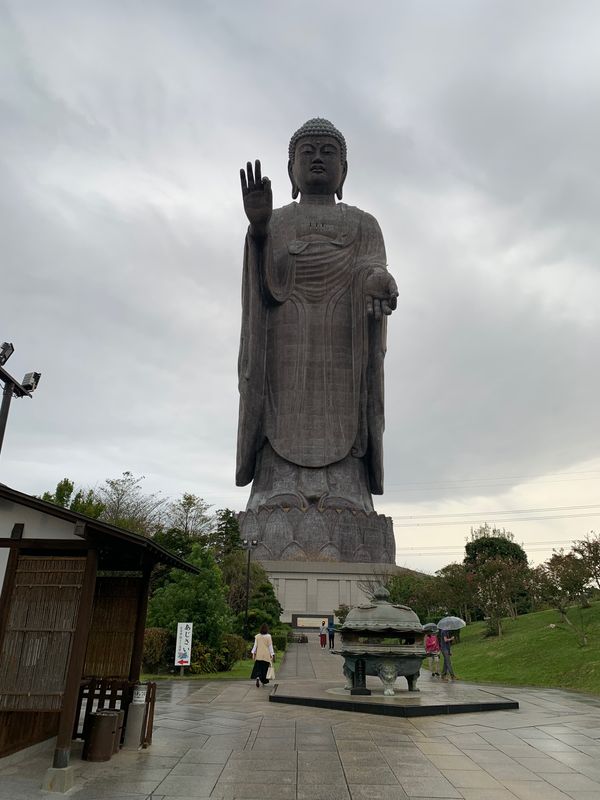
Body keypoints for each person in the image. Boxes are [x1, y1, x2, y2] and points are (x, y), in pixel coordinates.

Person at [237, 119, 398, 524]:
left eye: (329, 152)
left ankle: (347, 491)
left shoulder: (364, 223)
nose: (318, 160)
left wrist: (378, 280)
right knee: (281, 402)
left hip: (344, 337)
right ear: (291, 169)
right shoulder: (277, 220)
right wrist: (258, 228)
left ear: (344, 169)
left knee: (345, 402)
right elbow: (264, 283)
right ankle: (276, 488)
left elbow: (372, 267)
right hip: (285, 336)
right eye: (307, 153)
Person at [251, 623, 274, 687]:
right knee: (264, 669)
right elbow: (270, 646)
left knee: (258, 668)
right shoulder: (268, 636)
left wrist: (253, 652)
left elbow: (255, 646)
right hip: (266, 655)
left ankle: (258, 678)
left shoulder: (257, 636)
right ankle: (263, 681)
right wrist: (272, 654)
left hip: (259, 655)